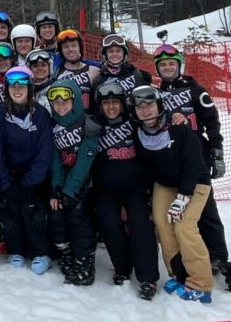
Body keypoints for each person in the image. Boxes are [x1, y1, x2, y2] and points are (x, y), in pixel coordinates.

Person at [130, 85, 213, 303]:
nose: (145, 110)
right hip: (164, 184)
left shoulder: (178, 126)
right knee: (162, 224)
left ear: (159, 104)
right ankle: (179, 274)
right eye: (139, 107)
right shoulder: (139, 133)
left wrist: (184, 196)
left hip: (194, 183)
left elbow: (194, 162)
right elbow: (146, 168)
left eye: (149, 105)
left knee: (184, 226)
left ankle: (201, 284)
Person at [154, 44, 229, 274]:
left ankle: (217, 255)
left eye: (171, 64)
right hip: (170, 155)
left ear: (179, 66)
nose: (167, 68)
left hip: (197, 154)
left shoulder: (195, 90)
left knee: (205, 206)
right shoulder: (157, 93)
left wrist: (216, 150)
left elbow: (212, 121)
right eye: (163, 65)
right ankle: (189, 250)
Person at [91, 82, 159, 300]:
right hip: (106, 189)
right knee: (109, 222)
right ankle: (122, 267)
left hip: (135, 187)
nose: (111, 108)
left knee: (140, 221)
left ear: (123, 104)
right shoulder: (94, 126)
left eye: (115, 103)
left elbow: (154, 142)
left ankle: (148, 277)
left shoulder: (135, 124)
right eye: (106, 103)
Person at [0, 66, 54, 274]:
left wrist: (31, 182)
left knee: (31, 210)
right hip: (9, 176)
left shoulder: (41, 114)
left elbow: (45, 151)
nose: (17, 90)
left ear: (30, 88)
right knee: (9, 210)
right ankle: (15, 249)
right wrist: (5, 182)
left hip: (34, 179)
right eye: (12, 86)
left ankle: (40, 251)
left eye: (22, 85)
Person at [47, 79, 100, 286]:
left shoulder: (88, 124)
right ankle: (66, 253)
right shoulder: (52, 125)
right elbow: (54, 160)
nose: (61, 105)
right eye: (56, 101)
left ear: (75, 99)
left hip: (85, 181)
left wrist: (71, 190)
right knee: (56, 212)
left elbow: (86, 160)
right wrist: (57, 189)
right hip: (63, 181)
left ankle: (85, 261)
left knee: (78, 215)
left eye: (65, 100)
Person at [89, 34, 148, 113]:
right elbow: (96, 109)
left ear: (124, 53)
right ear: (105, 55)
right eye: (110, 51)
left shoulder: (135, 73)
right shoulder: (99, 80)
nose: (115, 54)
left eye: (118, 51)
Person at [54, 29, 100, 109]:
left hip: (89, 119)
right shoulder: (55, 73)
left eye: (74, 45)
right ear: (61, 51)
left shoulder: (93, 71)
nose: (70, 49)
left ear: (80, 48)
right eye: (66, 47)